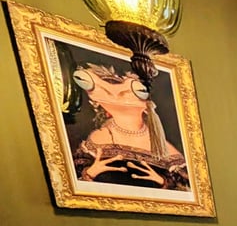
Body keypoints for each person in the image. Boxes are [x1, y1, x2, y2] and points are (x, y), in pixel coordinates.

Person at [69, 63, 189, 191]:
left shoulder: (163, 146)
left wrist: (163, 182)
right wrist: (89, 173)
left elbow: (187, 188)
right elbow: (72, 180)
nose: (116, 95)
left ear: (148, 105)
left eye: (139, 90)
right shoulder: (99, 137)